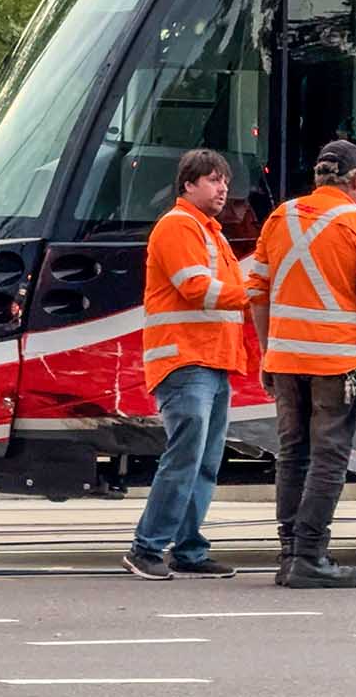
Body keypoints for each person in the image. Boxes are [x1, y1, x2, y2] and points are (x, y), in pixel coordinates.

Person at [247, 139, 356, 589]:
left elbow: (257, 293)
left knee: (292, 456)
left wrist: (266, 352)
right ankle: (311, 556)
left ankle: (290, 555)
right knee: (329, 459)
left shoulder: (280, 218)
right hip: (335, 363)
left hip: (285, 360)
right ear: (354, 179)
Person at [124, 149, 250, 580]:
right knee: (185, 458)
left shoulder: (212, 233)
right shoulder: (178, 226)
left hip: (211, 362)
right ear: (188, 184)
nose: (223, 189)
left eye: (225, 182)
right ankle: (146, 548)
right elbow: (195, 288)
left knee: (203, 460)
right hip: (185, 360)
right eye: (213, 180)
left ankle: (189, 549)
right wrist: (258, 291)